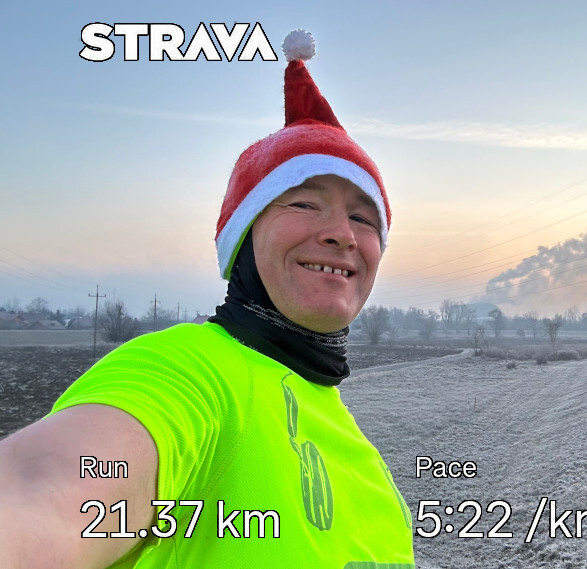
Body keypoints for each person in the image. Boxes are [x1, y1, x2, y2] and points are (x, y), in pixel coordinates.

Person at [0, 30, 415, 568]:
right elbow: (42, 491)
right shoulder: (188, 370)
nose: (343, 234)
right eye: (303, 204)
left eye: (363, 217)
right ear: (242, 240)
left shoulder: (356, 446)